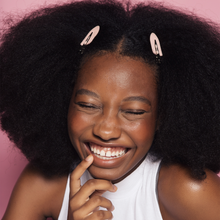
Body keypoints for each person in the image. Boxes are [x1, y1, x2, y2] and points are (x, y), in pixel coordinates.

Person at [1, 0, 220, 219]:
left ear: (162, 116)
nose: (106, 131)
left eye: (133, 111)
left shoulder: (189, 190)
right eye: (88, 105)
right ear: (63, 100)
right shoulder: (41, 183)